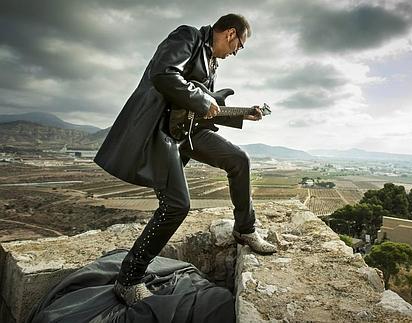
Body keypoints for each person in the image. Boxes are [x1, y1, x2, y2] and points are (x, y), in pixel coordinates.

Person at [94, 13, 277, 306]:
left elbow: (201, 109)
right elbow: (164, 74)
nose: (236, 52)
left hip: (188, 132)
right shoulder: (188, 36)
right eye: (239, 46)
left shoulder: (212, 63)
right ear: (231, 34)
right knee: (177, 205)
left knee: (239, 159)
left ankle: (244, 230)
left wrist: (243, 114)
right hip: (159, 131)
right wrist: (205, 101)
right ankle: (128, 279)